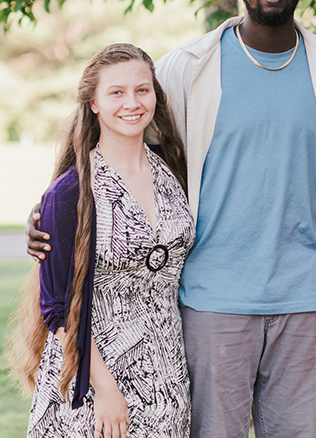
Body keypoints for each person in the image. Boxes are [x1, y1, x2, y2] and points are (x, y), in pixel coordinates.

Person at [27, 0, 316, 438]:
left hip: (306, 295)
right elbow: (124, 145)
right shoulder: (189, 68)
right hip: (212, 295)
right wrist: (52, 209)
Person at [8, 44, 193, 438]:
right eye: (116, 92)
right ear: (93, 103)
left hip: (167, 373)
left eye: (142, 90)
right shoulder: (70, 192)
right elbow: (57, 309)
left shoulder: (174, 169)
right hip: (92, 380)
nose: (132, 102)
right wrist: (106, 390)